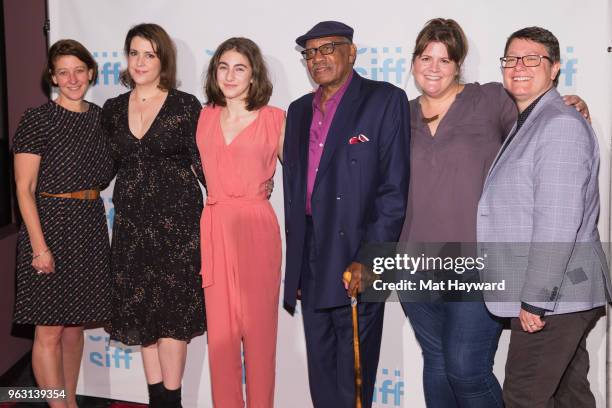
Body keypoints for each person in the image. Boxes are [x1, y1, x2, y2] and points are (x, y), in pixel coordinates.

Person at [398, 18, 591, 408]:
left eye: (445, 59)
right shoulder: (397, 114)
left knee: (467, 369)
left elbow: (537, 117)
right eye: (425, 57)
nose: (434, 67)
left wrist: (571, 101)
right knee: (436, 362)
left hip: (480, 262)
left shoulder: (490, 99)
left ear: (459, 66)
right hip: (415, 262)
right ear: (414, 62)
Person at [477, 26, 612, 407]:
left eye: (532, 58)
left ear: (554, 69)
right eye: (511, 59)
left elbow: (558, 221)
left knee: (523, 397)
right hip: (563, 297)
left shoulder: (559, 126)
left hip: (554, 298)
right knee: (569, 397)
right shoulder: (534, 119)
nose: (519, 66)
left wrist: (535, 301)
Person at [282, 21, 410, 407]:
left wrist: (368, 258)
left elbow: (393, 190)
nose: (318, 58)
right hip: (310, 254)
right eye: (310, 52)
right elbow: (293, 188)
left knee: (353, 376)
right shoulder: (299, 110)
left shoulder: (384, 100)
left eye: (328, 48)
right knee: (319, 370)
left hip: (356, 257)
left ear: (351, 52)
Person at [102, 23, 205, 408]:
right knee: (143, 316)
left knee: (173, 318)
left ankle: (171, 402)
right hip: (130, 229)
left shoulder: (185, 105)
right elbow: (102, 170)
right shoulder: (112, 109)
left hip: (178, 231)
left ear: (164, 59)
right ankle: (156, 399)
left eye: (149, 54)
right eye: (134, 53)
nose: (140, 62)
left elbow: (203, 167)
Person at [12, 39, 113, 408]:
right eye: (63, 72)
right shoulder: (37, 119)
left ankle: (69, 400)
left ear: (91, 72)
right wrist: (39, 247)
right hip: (49, 227)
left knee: (74, 329)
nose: (72, 79)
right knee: (50, 331)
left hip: (88, 226)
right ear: (52, 77)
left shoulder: (102, 118)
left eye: (79, 70)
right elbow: (24, 189)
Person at [195, 37, 284, 408]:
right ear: (215, 73)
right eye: (223, 67)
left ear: (253, 75)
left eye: (240, 68)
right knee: (221, 340)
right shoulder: (203, 116)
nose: (230, 75)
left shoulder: (275, 119)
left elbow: (302, 180)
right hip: (214, 227)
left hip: (256, 227)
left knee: (260, 337)